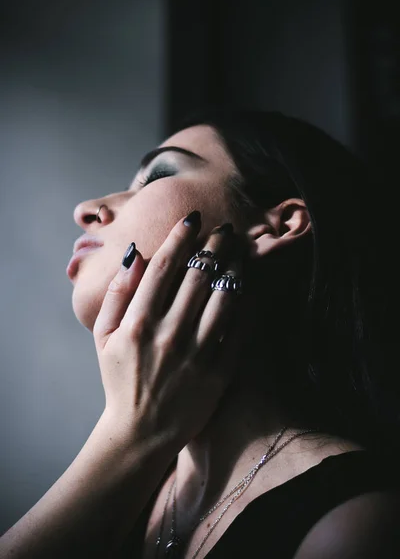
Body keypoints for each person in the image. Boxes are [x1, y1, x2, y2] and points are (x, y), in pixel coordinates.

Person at [1, 109, 399, 559]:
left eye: (156, 176)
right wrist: (131, 432)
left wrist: (133, 433)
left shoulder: (354, 525)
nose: (85, 210)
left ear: (280, 224)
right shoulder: (138, 495)